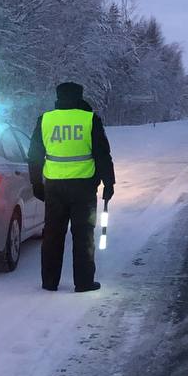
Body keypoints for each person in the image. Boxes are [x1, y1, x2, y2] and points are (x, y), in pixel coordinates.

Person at [27, 81, 115, 293]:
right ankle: (84, 282)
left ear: (58, 97)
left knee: (52, 235)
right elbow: (102, 154)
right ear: (79, 96)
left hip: (54, 187)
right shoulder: (89, 119)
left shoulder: (45, 120)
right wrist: (109, 182)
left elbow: (35, 155)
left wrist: (36, 182)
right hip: (83, 188)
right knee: (83, 234)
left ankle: (49, 282)